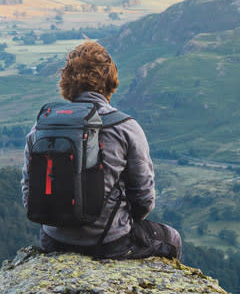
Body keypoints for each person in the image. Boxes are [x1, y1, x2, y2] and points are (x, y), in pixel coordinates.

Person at [21, 40, 182, 260]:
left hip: (53, 240)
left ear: (67, 82)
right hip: (109, 242)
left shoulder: (43, 125)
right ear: (109, 82)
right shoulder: (125, 127)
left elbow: (28, 190)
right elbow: (143, 198)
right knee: (171, 239)